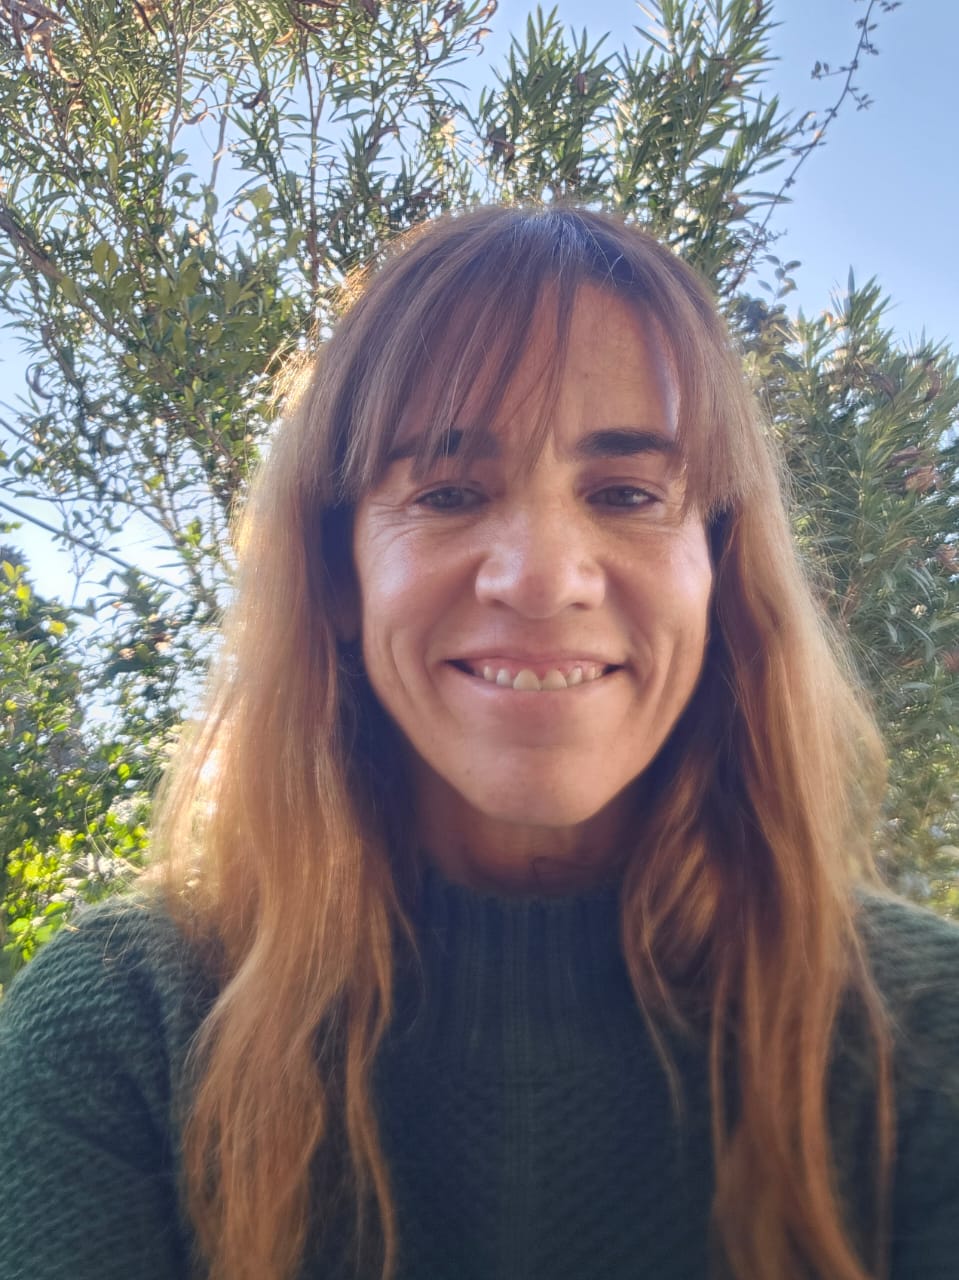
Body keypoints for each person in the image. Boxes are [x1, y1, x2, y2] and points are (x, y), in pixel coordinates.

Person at [1, 205, 958, 1280]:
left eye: (626, 493)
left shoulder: (921, 1033)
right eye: (448, 492)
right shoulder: (124, 1029)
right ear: (337, 574)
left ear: (720, 566)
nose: (542, 579)